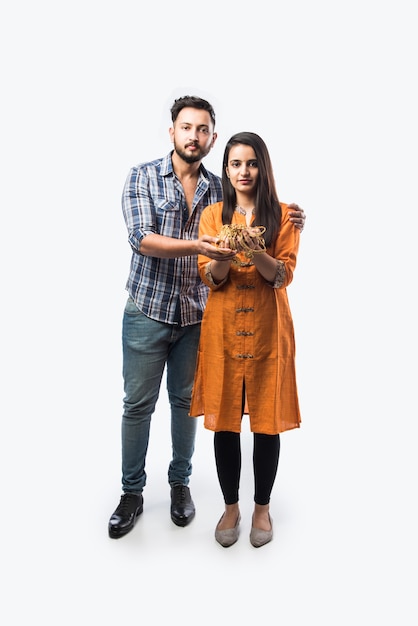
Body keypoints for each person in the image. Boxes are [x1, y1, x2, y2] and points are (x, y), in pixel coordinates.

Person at [108, 96, 306, 539]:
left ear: (210, 138)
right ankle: (132, 493)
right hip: (150, 308)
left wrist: (285, 223)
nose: (193, 136)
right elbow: (142, 238)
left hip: (199, 318)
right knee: (139, 405)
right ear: (173, 131)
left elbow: (277, 254)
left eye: (202, 130)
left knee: (186, 405)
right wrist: (206, 249)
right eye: (186, 127)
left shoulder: (233, 196)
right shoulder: (146, 179)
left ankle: (184, 487)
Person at [189, 131, 302, 548]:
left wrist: (254, 248)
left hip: (269, 330)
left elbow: (283, 276)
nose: (243, 171)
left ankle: (261, 508)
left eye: (251, 163)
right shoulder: (212, 216)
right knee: (225, 422)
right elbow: (211, 279)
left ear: (263, 167)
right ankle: (231, 506)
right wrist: (221, 257)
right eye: (235, 163)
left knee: (267, 423)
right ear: (226, 170)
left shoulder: (285, 216)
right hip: (221, 329)